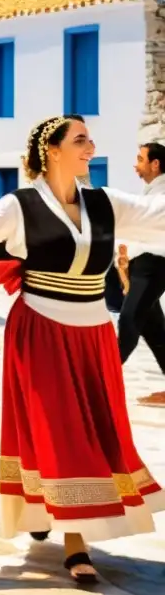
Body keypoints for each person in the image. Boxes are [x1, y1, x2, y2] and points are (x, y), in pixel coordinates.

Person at [0, 115, 164, 583]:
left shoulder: (103, 202)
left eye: (90, 139)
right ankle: (75, 542)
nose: (91, 147)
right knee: (58, 429)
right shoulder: (18, 205)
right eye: (80, 140)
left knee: (92, 430)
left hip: (93, 331)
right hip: (41, 330)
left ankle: (45, 514)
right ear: (53, 151)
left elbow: (158, 219)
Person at [117, 142, 165, 406]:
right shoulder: (151, 192)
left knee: (128, 321)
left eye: (140, 159)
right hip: (144, 266)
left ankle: (98, 384)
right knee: (155, 331)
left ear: (155, 163)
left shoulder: (162, 195)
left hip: (154, 265)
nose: (136, 165)